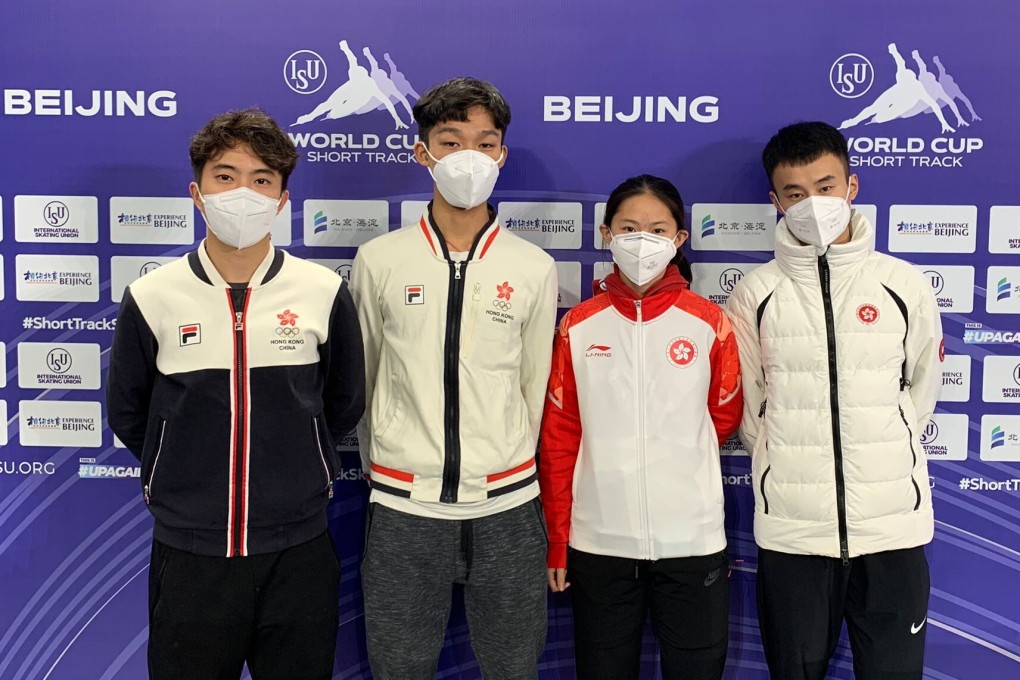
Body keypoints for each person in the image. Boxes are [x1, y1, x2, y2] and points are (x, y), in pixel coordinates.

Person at [107, 107, 365, 680]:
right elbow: (129, 411)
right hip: (191, 553)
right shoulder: (153, 296)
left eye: (262, 179)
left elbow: (344, 400)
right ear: (197, 193)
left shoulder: (322, 291)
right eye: (225, 176)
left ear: (282, 199)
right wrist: (178, 465)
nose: (242, 193)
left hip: (297, 550)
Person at [351, 77, 558, 679]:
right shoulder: (381, 260)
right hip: (402, 506)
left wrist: (505, 459)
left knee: (514, 669)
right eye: (451, 140)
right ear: (423, 153)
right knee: (399, 670)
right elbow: (363, 381)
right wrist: (392, 458)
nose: (470, 157)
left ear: (501, 156)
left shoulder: (533, 267)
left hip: (509, 507)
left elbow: (533, 385)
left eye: (484, 143)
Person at [726, 121, 943, 680]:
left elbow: (920, 390)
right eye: (795, 194)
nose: (813, 204)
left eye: (825, 186)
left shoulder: (904, 283)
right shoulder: (755, 293)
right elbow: (750, 410)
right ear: (775, 202)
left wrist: (883, 449)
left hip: (892, 528)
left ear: (852, 186)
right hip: (795, 534)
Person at [539, 175, 742, 680]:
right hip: (599, 543)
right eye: (629, 227)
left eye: (657, 228)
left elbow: (722, 416)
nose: (642, 239)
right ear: (606, 233)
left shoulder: (710, 323)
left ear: (679, 239)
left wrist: (675, 466)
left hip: (692, 544)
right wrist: (559, 539)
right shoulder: (578, 326)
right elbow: (560, 438)